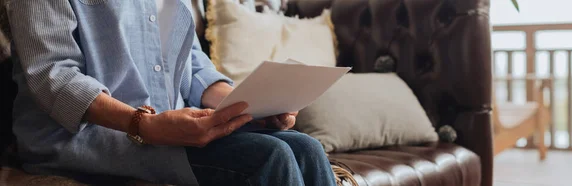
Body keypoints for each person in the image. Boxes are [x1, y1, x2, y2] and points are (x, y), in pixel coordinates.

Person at [7, 0, 336, 185]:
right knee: (269, 158)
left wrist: (247, 107)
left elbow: (191, 66)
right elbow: (54, 75)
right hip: (87, 134)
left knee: (307, 148)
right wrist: (144, 124)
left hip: (172, 124)